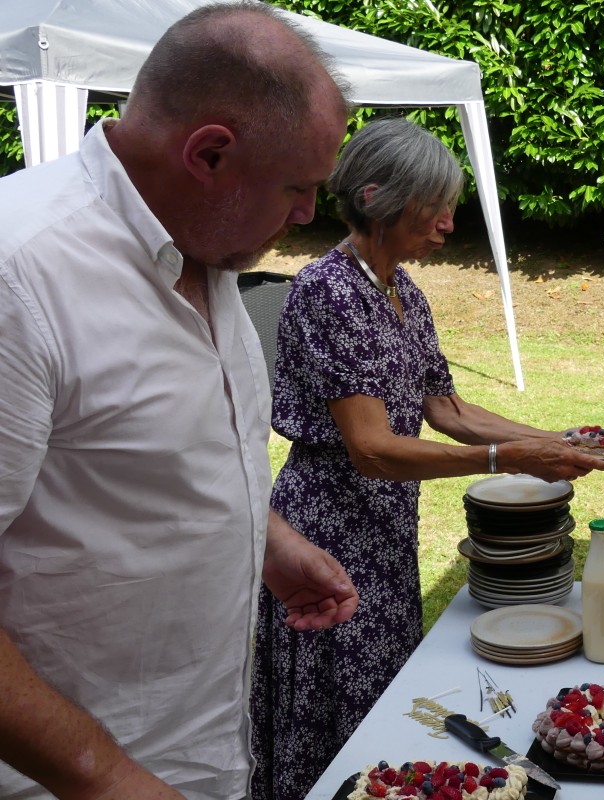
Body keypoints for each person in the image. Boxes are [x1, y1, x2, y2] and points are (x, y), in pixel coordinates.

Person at [0, 4, 360, 799]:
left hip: (203, 758)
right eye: (297, 188)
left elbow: (149, 457)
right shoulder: (21, 272)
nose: (307, 216)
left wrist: (263, 539)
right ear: (210, 154)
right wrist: (101, 776)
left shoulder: (208, 245)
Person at [249, 117, 604, 800]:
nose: (448, 222)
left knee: (385, 705)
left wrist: (559, 443)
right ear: (378, 200)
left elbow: (447, 410)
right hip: (326, 531)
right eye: (434, 205)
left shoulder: (402, 291)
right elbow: (373, 448)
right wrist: (507, 458)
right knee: (335, 716)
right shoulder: (327, 291)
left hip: (383, 532)